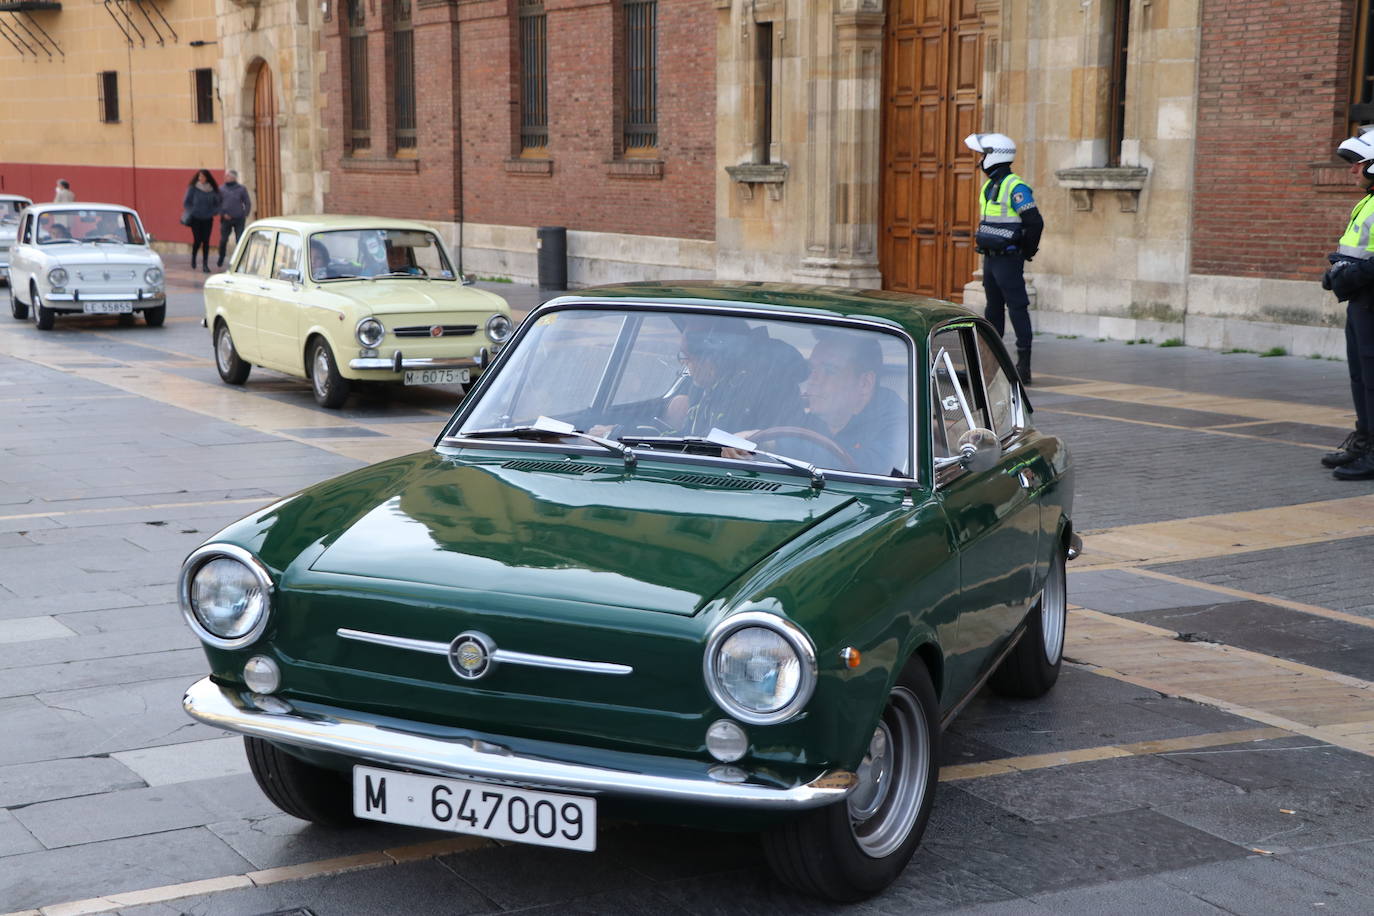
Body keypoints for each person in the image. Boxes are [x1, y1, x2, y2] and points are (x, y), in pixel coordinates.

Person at [965, 132, 1043, 386]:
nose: (980, 161)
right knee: (993, 311)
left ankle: (1024, 365)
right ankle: (990, 365)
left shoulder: (1015, 187)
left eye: (983, 155)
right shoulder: (989, 186)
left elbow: (1034, 222)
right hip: (990, 259)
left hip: (1009, 259)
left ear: (995, 156)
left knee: (1017, 308)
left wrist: (1027, 251)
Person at [1320, 128, 1374, 480]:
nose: (1353, 170)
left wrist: (1352, 274)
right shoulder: (1368, 201)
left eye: (1359, 163)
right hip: (1362, 302)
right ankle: (1366, 440)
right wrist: (1338, 269)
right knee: (1361, 377)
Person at [800, 331, 908, 476]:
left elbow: (872, 473)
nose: (813, 380)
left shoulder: (899, 422)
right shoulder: (811, 415)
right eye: (812, 369)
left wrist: (781, 445)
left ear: (864, 383)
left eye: (830, 370)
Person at [183, 169, 221, 273]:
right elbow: (186, 202)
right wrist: (192, 210)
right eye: (199, 177)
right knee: (197, 240)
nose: (201, 179)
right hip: (195, 218)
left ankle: (205, 264)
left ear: (207, 178)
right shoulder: (193, 188)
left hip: (208, 218)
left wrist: (214, 212)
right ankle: (194, 258)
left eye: (203, 177)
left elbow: (218, 203)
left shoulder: (212, 189)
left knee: (206, 241)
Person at [217, 170, 252, 269]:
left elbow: (247, 202)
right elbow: (217, 204)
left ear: (233, 178)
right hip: (225, 219)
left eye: (227, 176)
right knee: (223, 240)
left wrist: (244, 214)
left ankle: (239, 259)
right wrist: (223, 214)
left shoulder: (241, 189)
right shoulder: (221, 189)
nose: (225, 177)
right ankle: (221, 256)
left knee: (240, 239)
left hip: (239, 219)